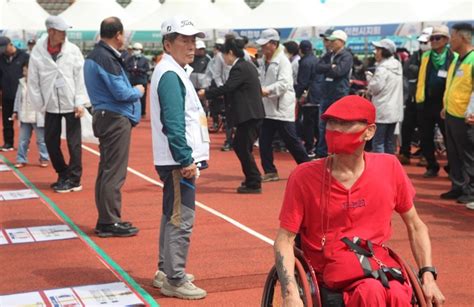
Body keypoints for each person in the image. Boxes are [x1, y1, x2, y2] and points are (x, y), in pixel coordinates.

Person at [274, 95, 445, 307]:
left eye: (345, 124)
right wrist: (290, 293)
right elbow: (285, 239)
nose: (336, 130)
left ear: (370, 131)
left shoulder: (389, 167)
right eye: (331, 123)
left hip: (375, 265)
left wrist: (427, 276)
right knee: (370, 293)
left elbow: (416, 225)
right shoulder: (304, 176)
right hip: (327, 272)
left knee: (398, 293)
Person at [149, 16, 209, 300]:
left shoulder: (173, 70)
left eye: (193, 40)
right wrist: (186, 159)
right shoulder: (170, 73)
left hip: (174, 158)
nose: (191, 46)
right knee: (181, 219)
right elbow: (173, 122)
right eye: (184, 40)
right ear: (167, 43)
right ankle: (174, 277)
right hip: (177, 160)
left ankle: (166, 270)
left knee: (170, 216)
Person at [83, 17, 144, 237]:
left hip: (104, 115)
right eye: (124, 34)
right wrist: (138, 90)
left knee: (106, 169)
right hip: (114, 117)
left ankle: (106, 219)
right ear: (118, 34)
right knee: (114, 172)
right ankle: (109, 221)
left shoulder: (95, 56)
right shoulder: (106, 58)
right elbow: (121, 92)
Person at [28, 16, 88, 193]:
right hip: (50, 104)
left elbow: (80, 77)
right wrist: (40, 105)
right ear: (51, 31)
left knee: (74, 143)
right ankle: (63, 173)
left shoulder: (73, 50)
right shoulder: (38, 52)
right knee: (50, 141)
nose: (64, 34)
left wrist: (80, 102)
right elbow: (33, 80)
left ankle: (75, 179)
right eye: (61, 31)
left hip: (71, 103)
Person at [199, 37, 265, 194]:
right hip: (250, 114)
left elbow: (228, 87)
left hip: (249, 115)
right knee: (241, 147)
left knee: (241, 147)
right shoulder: (246, 66)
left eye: (223, 55)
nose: (222, 59)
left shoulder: (240, 68)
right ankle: (252, 178)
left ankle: (254, 181)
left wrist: (206, 93)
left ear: (230, 53)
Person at [256, 28, 310, 182]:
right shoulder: (264, 61)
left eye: (265, 45)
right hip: (268, 108)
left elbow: (284, 84)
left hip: (281, 109)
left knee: (291, 141)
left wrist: (266, 90)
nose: (262, 48)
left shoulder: (283, 61)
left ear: (273, 44)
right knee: (264, 141)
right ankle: (270, 171)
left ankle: (307, 166)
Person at [441, 22, 474, 208]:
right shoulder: (456, 59)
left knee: (468, 154)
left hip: (466, 116)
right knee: (453, 153)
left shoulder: (472, 59)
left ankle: (471, 190)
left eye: (452, 37)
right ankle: (458, 186)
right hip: (452, 113)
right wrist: (445, 105)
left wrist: (472, 112)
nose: (450, 41)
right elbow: (452, 85)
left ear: (463, 37)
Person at [416, 25, 455, 178]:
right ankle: (432, 165)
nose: (433, 41)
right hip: (426, 102)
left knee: (448, 137)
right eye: (431, 38)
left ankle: (452, 167)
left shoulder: (454, 57)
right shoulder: (425, 56)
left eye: (437, 38)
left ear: (446, 40)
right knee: (425, 136)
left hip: (445, 103)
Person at [315, 30, 353, 158]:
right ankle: (321, 152)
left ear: (341, 42)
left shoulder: (346, 56)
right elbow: (317, 67)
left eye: (333, 40)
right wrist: (330, 67)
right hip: (326, 94)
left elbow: (339, 72)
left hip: (339, 94)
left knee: (338, 125)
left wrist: (329, 68)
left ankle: (337, 151)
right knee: (323, 125)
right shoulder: (329, 55)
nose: (330, 43)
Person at [399, 27, 433, 165]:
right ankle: (405, 153)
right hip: (413, 97)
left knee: (426, 129)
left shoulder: (438, 57)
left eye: (426, 42)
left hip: (429, 100)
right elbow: (407, 70)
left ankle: (426, 155)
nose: (423, 44)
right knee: (407, 126)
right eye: (421, 42)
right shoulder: (415, 55)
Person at [366, 39, 404, 154]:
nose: (375, 52)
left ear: (385, 51)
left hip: (382, 110)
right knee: (390, 143)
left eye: (378, 50)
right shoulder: (397, 65)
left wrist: (369, 78)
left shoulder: (383, 68)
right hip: (394, 110)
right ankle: (390, 168)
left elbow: (375, 87)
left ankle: (381, 169)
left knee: (378, 142)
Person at [12, 62, 49, 168]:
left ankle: (44, 158)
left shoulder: (40, 82)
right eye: (23, 70)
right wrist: (15, 111)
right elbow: (18, 98)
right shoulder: (21, 82)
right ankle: (21, 159)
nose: (23, 73)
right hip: (24, 115)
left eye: (25, 70)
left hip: (37, 115)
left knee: (41, 139)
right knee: (23, 139)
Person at [0, 36, 29, 151]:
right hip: (6, 93)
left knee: (25, 121)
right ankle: (8, 143)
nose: (4, 51)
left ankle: (24, 145)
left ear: (10, 44)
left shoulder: (24, 56)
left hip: (22, 94)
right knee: (7, 120)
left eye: (4, 48)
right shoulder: (1, 58)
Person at [294, 40, 321, 158]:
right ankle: (318, 146)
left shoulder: (305, 62)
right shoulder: (316, 60)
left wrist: (297, 95)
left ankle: (309, 146)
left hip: (309, 95)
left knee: (308, 123)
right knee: (316, 123)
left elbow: (303, 81)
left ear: (301, 50)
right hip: (318, 94)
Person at [125, 42, 150, 118]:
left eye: (138, 49)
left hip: (142, 80)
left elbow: (147, 69)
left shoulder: (145, 60)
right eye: (135, 49)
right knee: (131, 97)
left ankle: (142, 113)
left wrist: (139, 70)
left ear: (141, 50)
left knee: (143, 98)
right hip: (132, 80)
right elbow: (126, 67)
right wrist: (132, 69)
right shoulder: (129, 59)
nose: (136, 51)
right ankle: (131, 111)